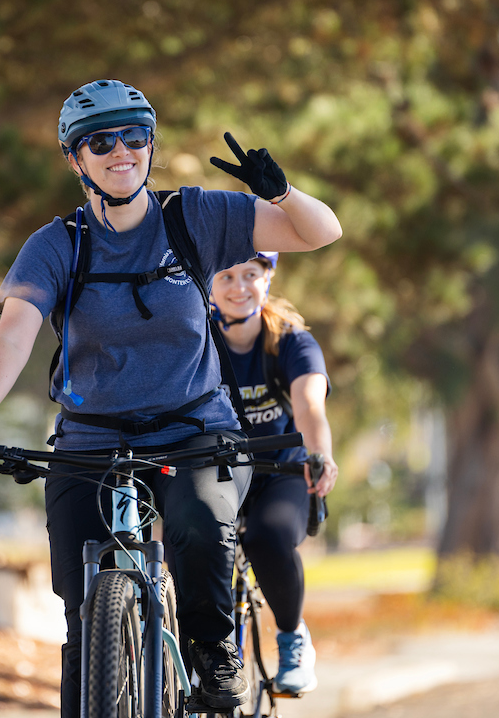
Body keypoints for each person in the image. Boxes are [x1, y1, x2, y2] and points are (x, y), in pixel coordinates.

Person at [0, 79, 341, 716]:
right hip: (90, 437)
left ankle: (215, 657)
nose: (120, 151)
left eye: (134, 137)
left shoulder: (193, 218)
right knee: (82, 605)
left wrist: (279, 192)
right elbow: (16, 329)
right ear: (75, 159)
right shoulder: (58, 244)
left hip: (193, 431)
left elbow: (322, 232)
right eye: (99, 142)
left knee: (197, 527)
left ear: (150, 146)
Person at [210, 252, 338, 695]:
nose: (238, 286)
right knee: (190, 544)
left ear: (268, 278)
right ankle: (194, 652)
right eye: (225, 276)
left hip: (279, 471)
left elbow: (309, 405)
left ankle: (292, 638)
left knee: (266, 537)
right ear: (207, 284)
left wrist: (319, 454)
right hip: (215, 469)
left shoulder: (290, 341)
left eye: (250, 274)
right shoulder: (195, 336)